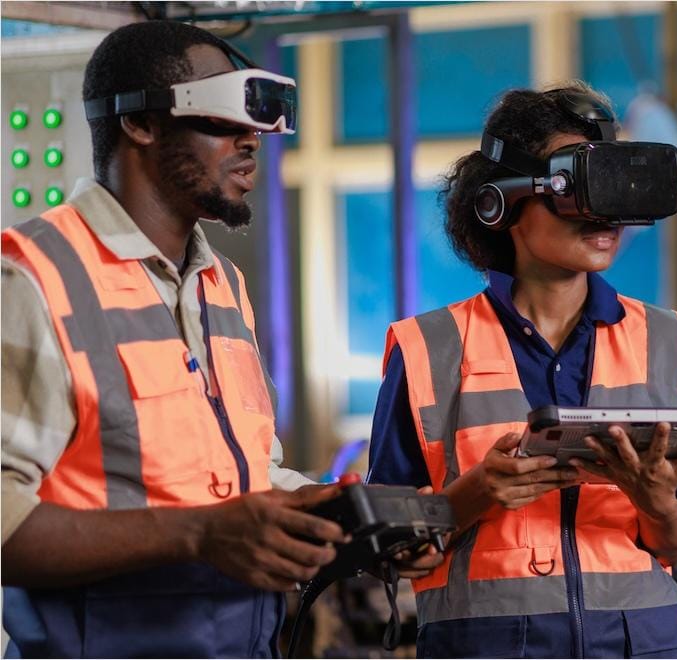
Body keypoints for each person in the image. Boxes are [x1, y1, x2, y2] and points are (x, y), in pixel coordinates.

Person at [0, 20, 440, 658]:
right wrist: (197, 535)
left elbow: (240, 479)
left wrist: (333, 515)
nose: (252, 140)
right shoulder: (34, 278)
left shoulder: (222, 286)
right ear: (141, 123)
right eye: (225, 119)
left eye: (258, 125)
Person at [367, 81, 677, 658]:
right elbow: (386, 550)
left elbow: (675, 544)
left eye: (614, 186)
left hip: (641, 644)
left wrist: (658, 503)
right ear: (498, 203)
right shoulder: (428, 349)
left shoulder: (671, 343)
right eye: (577, 188)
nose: (604, 215)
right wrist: (472, 495)